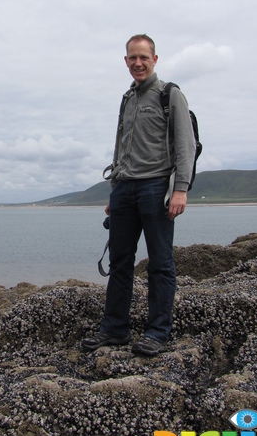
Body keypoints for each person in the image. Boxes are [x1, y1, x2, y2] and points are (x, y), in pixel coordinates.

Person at [82, 34, 196, 356]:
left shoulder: (169, 95)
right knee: (120, 263)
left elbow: (185, 145)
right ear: (126, 60)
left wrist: (181, 190)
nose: (138, 63)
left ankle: (157, 332)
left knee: (160, 264)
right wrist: (115, 188)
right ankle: (115, 329)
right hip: (125, 189)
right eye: (132, 58)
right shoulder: (127, 99)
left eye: (144, 57)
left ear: (155, 59)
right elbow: (121, 148)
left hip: (156, 188)